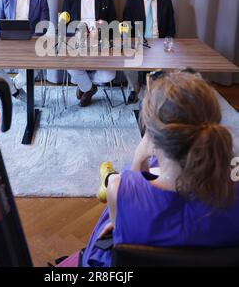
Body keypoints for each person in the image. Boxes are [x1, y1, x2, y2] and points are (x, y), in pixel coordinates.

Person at [56, 71, 239, 267]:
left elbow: (122, 226)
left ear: (153, 136)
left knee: (115, 190)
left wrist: (139, 156)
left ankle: (107, 179)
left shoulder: (121, 188)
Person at [0, 0, 50, 101]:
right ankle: (16, 92)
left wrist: (32, 38)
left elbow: (44, 26)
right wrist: (2, 35)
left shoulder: (41, 0)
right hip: (6, 42)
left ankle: (12, 88)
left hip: (30, 43)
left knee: (36, 66)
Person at [62, 0, 117, 107]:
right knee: (69, 65)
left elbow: (114, 26)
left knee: (109, 75)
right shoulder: (70, 0)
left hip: (100, 45)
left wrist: (104, 27)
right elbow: (63, 27)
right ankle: (90, 88)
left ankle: (83, 84)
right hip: (78, 44)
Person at [123, 0, 176, 104]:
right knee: (126, 60)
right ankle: (135, 90)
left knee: (168, 65)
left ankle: (155, 90)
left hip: (159, 42)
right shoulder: (132, 2)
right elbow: (125, 27)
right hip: (137, 43)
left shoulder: (166, 2)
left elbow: (171, 27)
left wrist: (167, 44)